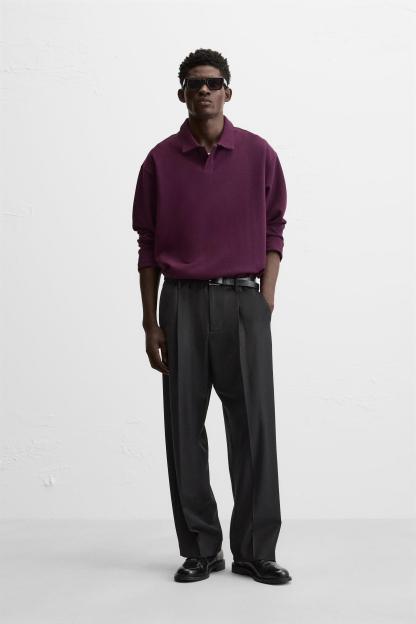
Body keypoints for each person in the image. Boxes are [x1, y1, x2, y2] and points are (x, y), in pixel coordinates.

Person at [132, 48, 292, 585]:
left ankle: (255, 551)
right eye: (194, 83)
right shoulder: (159, 161)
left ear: (228, 90)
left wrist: (266, 297)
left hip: (244, 301)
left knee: (254, 429)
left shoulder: (258, 154)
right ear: (181, 93)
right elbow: (147, 244)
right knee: (184, 428)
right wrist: (151, 321)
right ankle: (201, 548)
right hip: (179, 302)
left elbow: (274, 228)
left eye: (214, 82)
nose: (204, 90)